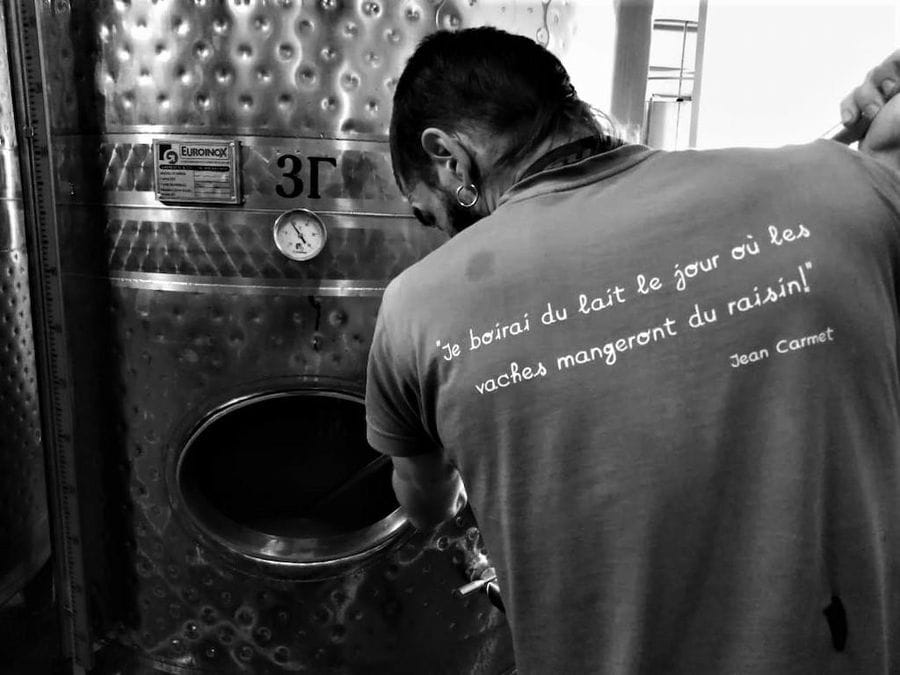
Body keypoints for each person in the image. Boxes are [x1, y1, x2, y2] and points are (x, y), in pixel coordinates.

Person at [365, 26, 900, 674]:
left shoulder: (416, 307)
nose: (442, 237)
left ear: (449, 157)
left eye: (433, 214)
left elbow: (424, 502)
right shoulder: (840, 193)